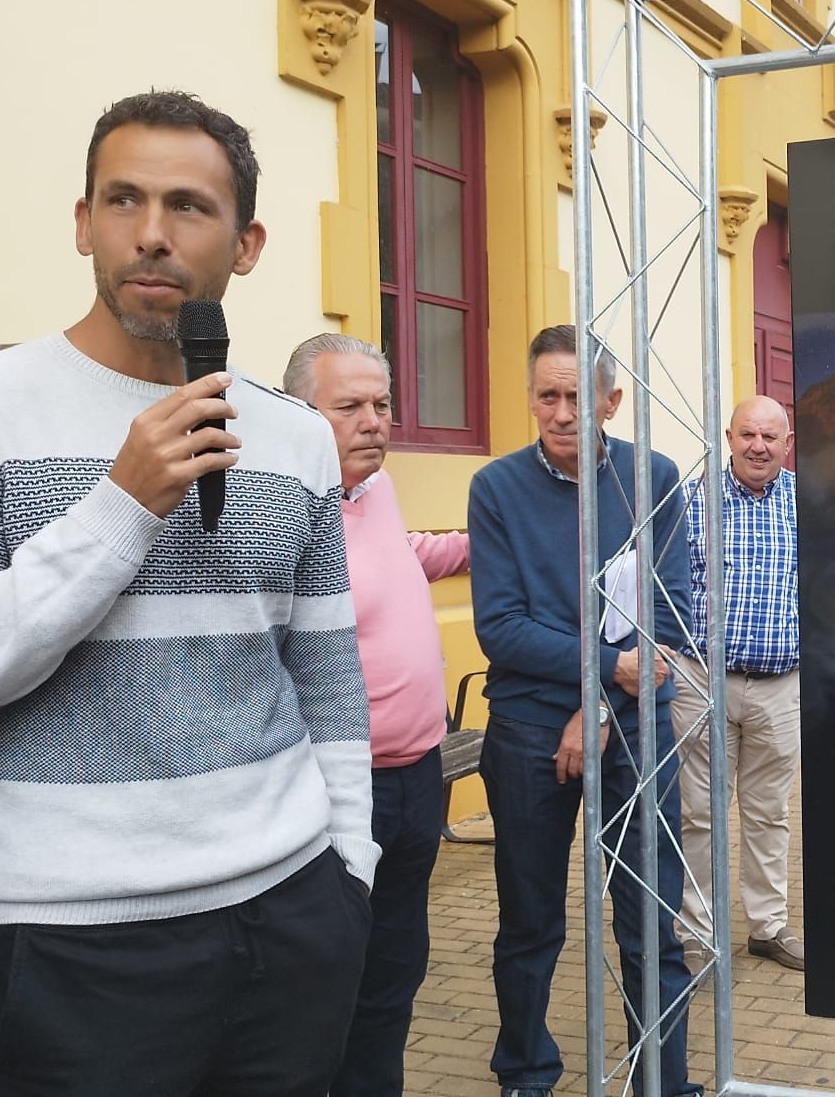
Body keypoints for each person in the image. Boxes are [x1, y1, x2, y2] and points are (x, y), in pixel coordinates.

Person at [0, 91, 376, 1096]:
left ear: (246, 243)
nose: (151, 234)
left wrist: (348, 874)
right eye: (123, 200)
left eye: (189, 206)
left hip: (289, 918)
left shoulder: (297, 436)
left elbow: (323, 674)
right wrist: (121, 504)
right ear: (81, 221)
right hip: (74, 945)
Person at [468, 326, 699, 1097]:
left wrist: (599, 706)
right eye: (547, 395)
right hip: (531, 731)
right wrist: (599, 681)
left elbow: (668, 617)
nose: (562, 412)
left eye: (577, 395)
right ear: (530, 397)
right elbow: (501, 627)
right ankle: (526, 1077)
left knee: (650, 923)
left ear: (611, 399)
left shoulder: (653, 478)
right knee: (529, 923)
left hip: (635, 727)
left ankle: (661, 1083)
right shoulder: (496, 489)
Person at [286, 333, 469, 1097]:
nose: (374, 422)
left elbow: (399, 555)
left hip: (418, 775)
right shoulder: (283, 511)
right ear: (295, 412)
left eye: (383, 404)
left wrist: (480, 543)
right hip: (333, 793)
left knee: (395, 972)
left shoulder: (374, 491)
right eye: (349, 406)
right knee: (327, 984)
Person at [674, 396, 804, 972]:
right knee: (698, 812)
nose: (758, 446)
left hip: (781, 685)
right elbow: (659, 585)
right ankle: (694, 934)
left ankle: (768, 927)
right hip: (703, 678)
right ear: (728, 438)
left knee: (769, 810)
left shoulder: (808, 503)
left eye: (770, 437)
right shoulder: (688, 498)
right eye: (747, 434)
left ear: (787, 442)